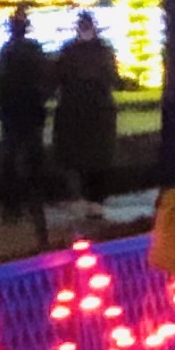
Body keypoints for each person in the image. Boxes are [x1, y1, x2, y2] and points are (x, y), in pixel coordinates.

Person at [0, 10, 57, 222]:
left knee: (12, 158)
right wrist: (41, 99)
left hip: (14, 111)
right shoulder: (32, 50)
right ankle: (33, 201)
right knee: (32, 158)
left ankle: (13, 206)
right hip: (29, 109)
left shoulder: (7, 51)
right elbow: (46, 78)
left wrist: (2, 102)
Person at [54, 13, 125, 206]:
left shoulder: (70, 52)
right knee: (94, 161)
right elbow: (113, 77)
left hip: (81, 112)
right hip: (94, 113)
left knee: (81, 161)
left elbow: (57, 78)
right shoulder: (102, 51)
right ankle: (94, 200)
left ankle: (85, 198)